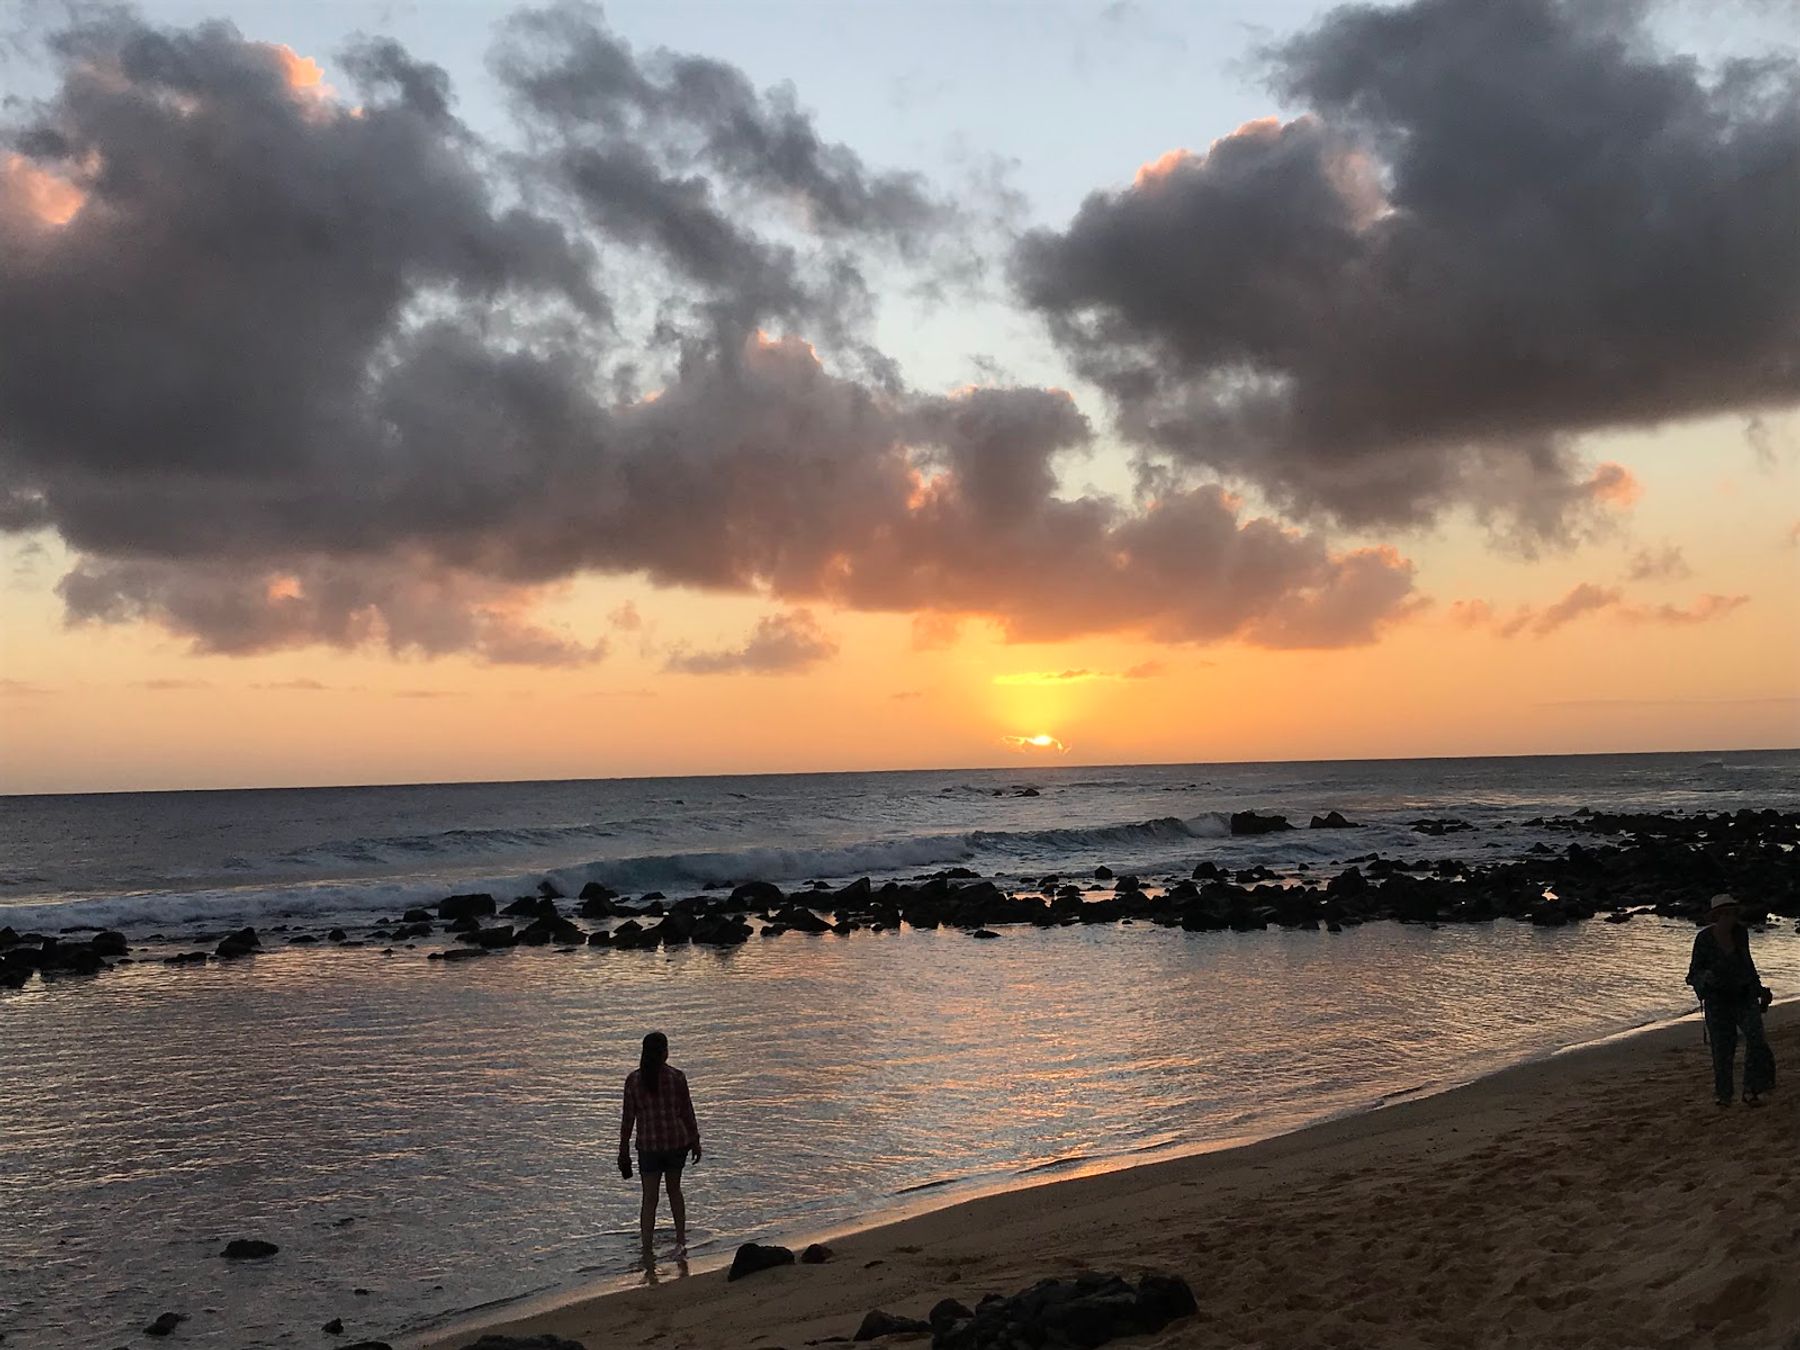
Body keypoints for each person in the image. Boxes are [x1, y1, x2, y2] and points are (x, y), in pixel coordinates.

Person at [1685, 894, 1775, 1107]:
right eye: (1724, 914)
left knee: (1756, 1040)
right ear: (1716, 916)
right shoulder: (1704, 939)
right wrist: (1705, 978)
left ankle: (1752, 1089)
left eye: (1732, 913)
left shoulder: (1741, 934)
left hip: (1744, 995)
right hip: (1717, 1001)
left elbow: (1747, 965)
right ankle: (1724, 1095)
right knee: (1723, 1049)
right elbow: (1692, 974)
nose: (1729, 918)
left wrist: (1760, 989)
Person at [619, 1031, 702, 1254]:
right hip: (676, 1143)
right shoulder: (677, 1077)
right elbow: (687, 1113)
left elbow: (628, 1120)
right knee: (674, 1191)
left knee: (649, 1199)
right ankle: (681, 1240)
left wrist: (623, 1150)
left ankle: (647, 1248)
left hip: (649, 1147)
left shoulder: (633, 1081)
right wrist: (695, 1140)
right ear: (665, 1052)